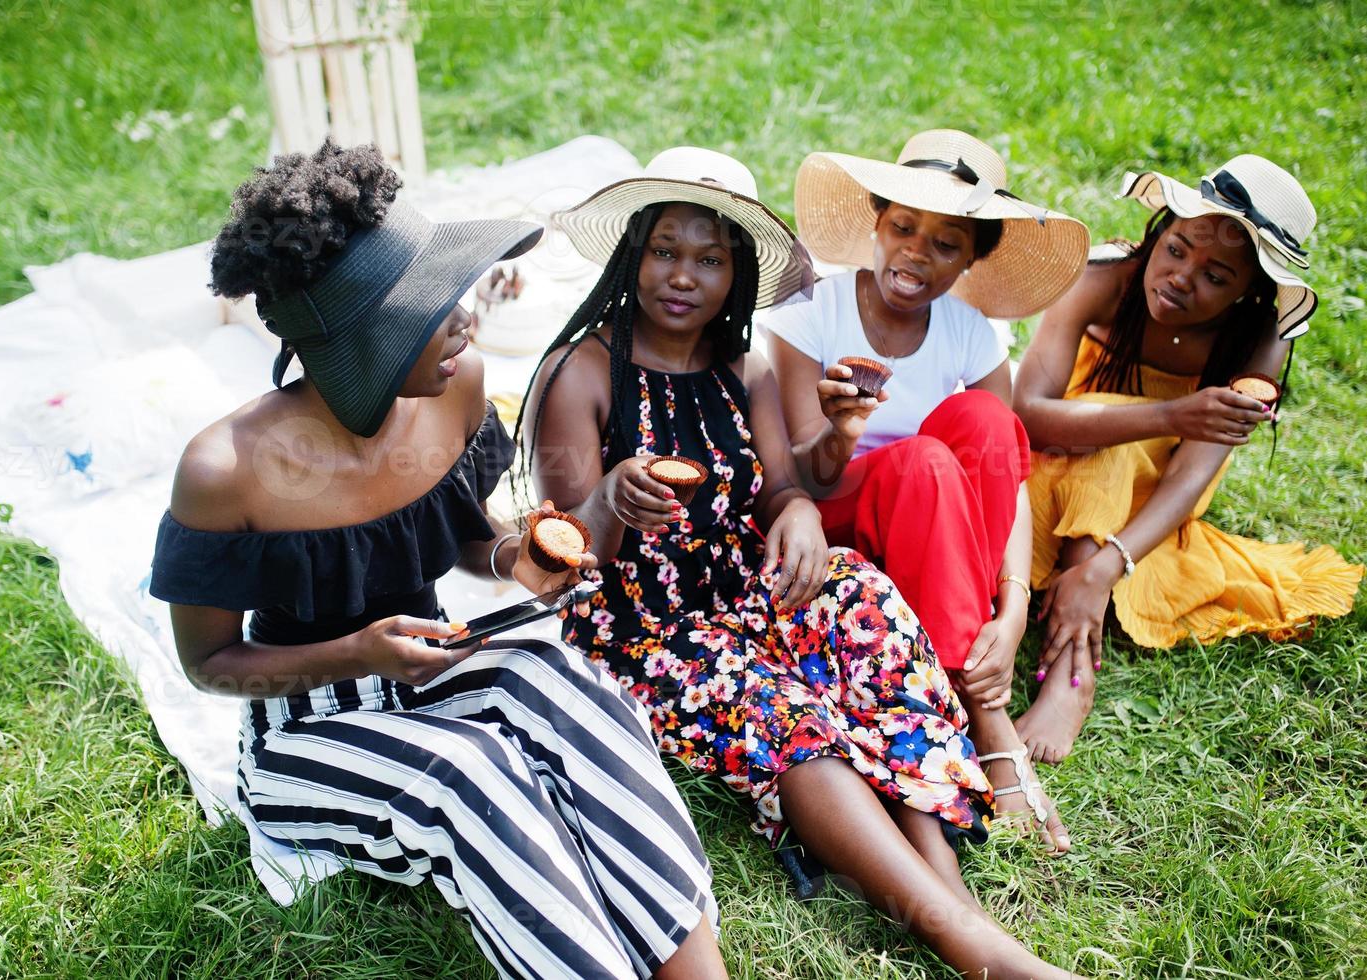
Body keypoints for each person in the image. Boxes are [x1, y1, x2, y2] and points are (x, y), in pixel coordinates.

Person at [148, 140, 726, 980]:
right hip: (304, 722)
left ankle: (692, 966)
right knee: (474, 773)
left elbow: (464, 535)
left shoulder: (456, 385)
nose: (465, 319)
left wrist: (517, 557)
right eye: (432, 306)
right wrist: (357, 652)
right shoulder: (224, 472)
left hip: (427, 661)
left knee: (567, 682)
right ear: (355, 336)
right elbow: (210, 666)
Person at [524, 146, 1081, 980]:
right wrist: (607, 498)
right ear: (630, 255)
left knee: (867, 614)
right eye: (663, 251)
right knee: (793, 718)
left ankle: (945, 878)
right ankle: (961, 937)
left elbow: (784, 488)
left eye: (709, 258)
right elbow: (563, 559)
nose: (682, 276)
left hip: (746, 587)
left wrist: (796, 519)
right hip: (646, 627)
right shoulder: (585, 372)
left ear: (737, 272)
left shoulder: (739, 368)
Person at [761, 130, 1089, 844]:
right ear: (875, 222)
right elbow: (795, 478)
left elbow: (1007, 474)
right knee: (920, 462)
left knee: (982, 420)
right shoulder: (807, 314)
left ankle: (960, 656)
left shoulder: (970, 333)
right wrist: (843, 428)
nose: (915, 253)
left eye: (945, 244)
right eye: (902, 227)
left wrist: (1013, 606)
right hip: (835, 525)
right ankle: (983, 718)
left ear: (971, 259)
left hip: (940, 545)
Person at [1012, 154, 1363, 762]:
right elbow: (1028, 414)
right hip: (1059, 463)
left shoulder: (1259, 342)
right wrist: (1172, 414)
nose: (1180, 277)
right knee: (1103, 454)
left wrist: (1102, 570)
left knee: (1115, 463)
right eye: (1176, 249)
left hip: (1151, 509)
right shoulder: (1104, 278)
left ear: (1251, 293)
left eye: (1216, 276)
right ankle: (1076, 643)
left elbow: (1191, 478)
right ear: (1159, 231)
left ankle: (1072, 675)